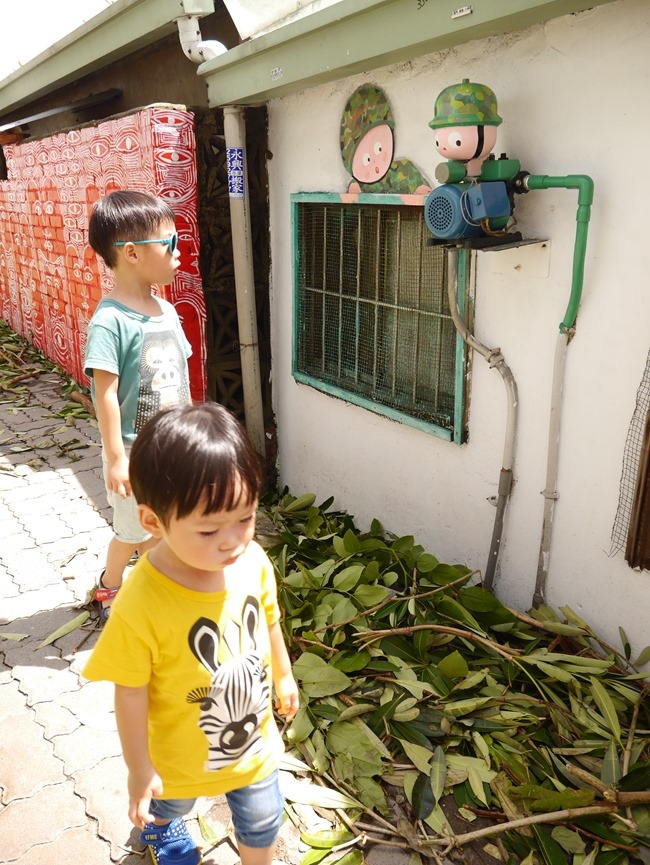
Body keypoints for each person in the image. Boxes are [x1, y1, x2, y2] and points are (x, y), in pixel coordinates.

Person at [82, 402, 299, 865]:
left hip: (254, 744)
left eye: (245, 518)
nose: (232, 540)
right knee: (167, 807)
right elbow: (131, 690)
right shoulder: (141, 600)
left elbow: (268, 617)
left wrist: (283, 674)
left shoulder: (252, 561)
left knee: (263, 817)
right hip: (176, 760)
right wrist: (139, 769)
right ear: (154, 522)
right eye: (208, 529)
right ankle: (159, 826)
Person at [84, 190, 192, 620]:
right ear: (131, 253)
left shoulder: (166, 309)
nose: (178, 251)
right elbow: (105, 393)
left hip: (171, 448)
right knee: (130, 530)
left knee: (163, 524)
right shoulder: (109, 321)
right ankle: (110, 586)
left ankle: (155, 586)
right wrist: (115, 459)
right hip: (134, 455)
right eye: (170, 242)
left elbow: (183, 378)